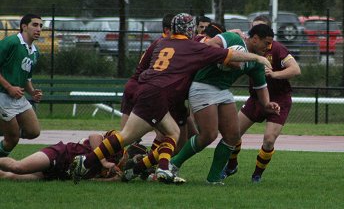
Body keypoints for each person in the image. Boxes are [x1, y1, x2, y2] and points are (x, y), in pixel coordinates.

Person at [70, 12, 273, 184]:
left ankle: (91, 162)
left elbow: (145, 67)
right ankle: (161, 168)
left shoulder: (161, 42)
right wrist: (256, 57)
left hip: (146, 88)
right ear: (190, 30)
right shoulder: (192, 47)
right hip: (160, 92)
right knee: (167, 134)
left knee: (139, 135)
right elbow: (227, 55)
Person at [170, 24, 280, 185]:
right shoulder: (233, 38)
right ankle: (173, 164)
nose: (268, 47)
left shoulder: (256, 62)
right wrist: (225, 57)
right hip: (203, 86)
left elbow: (261, 88)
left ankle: (213, 178)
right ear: (255, 39)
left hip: (222, 91)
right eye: (266, 43)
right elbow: (209, 45)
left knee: (233, 135)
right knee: (208, 135)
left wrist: (268, 104)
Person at [221, 15, 301, 183]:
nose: (255, 34)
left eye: (260, 29)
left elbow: (295, 69)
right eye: (253, 29)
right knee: (232, 133)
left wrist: (274, 74)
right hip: (256, 98)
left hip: (279, 99)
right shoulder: (247, 47)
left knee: (269, 140)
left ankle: (257, 175)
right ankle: (231, 165)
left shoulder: (277, 49)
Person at [120, 13, 197, 155]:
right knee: (128, 138)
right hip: (148, 93)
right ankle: (144, 166)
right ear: (168, 30)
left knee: (187, 136)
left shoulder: (168, 43)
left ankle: (148, 165)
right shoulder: (163, 43)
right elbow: (146, 72)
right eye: (182, 29)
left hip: (159, 94)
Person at [0, 130, 147, 181]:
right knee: (18, 167)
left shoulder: (118, 170)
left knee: (9, 177)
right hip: (61, 154)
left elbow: (90, 181)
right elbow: (94, 136)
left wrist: (113, 180)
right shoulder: (118, 141)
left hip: (63, 174)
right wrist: (103, 161)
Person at [0, 14, 43, 157]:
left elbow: (26, 78)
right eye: (35, 25)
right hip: (3, 96)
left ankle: (7, 128)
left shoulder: (35, 52)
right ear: (24, 26)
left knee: (33, 131)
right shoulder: (11, 42)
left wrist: (32, 92)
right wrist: (9, 87)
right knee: (12, 140)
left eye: (41, 26)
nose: (39, 29)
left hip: (18, 98)